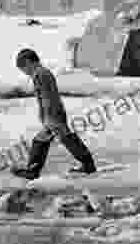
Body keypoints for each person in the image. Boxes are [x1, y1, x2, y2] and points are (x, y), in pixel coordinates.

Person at [11, 48, 97, 180]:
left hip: (52, 113)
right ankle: (33, 169)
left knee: (66, 138)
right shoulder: (42, 73)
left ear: (29, 62)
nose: (25, 72)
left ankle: (88, 164)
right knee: (41, 140)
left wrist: (47, 115)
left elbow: (47, 96)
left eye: (23, 68)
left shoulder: (40, 74)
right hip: (53, 112)